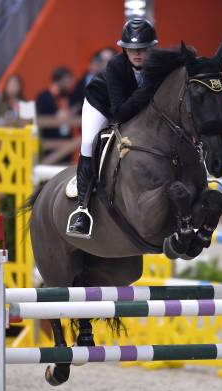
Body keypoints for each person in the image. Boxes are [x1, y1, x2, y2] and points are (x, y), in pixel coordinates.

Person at [68, 17, 158, 237]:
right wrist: (146, 94)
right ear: (124, 49)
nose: (137, 54)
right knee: (89, 142)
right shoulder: (116, 66)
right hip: (101, 104)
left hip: (132, 108)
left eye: (143, 49)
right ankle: (82, 210)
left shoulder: (158, 67)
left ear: (151, 48)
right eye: (131, 49)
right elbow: (118, 112)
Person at [70, 47, 116, 113]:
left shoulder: (119, 79)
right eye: (102, 60)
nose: (104, 64)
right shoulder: (82, 82)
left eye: (108, 60)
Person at [35, 66, 74, 140]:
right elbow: (39, 116)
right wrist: (56, 115)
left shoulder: (69, 95)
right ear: (58, 81)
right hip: (50, 140)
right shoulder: (43, 97)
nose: (69, 85)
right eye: (67, 82)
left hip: (67, 140)